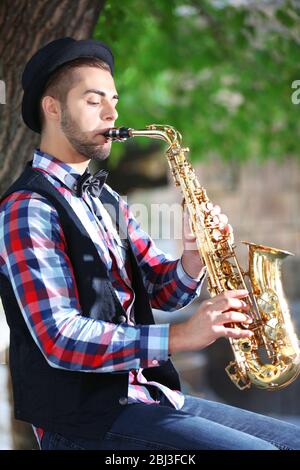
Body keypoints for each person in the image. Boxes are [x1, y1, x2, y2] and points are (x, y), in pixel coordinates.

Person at [0, 37, 299, 451]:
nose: (112, 112)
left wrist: (193, 260)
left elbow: (163, 289)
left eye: (115, 100)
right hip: (82, 424)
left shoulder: (108, 201)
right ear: (53, 108)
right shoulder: (28, 208)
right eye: (93, 100)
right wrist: (179, 337)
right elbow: (60, 337)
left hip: (151, 398)